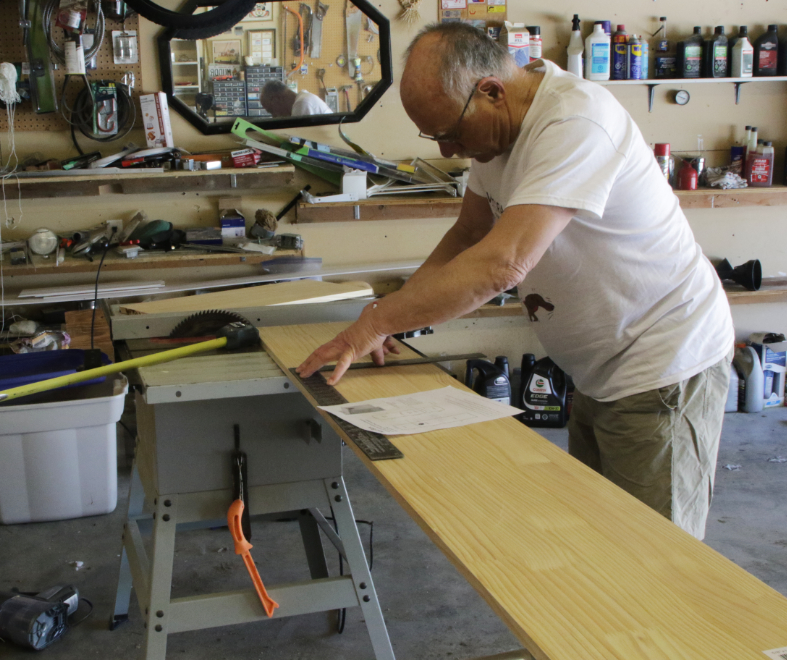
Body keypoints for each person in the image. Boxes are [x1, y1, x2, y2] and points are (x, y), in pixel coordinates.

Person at [296, 23, 735, 540]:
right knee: (607, 542)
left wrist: (370, 324)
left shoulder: (576, 121)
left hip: (663, 363)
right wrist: (399, 313)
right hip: (599, 370)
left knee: (657, 556)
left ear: (491, 91)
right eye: (435, 137)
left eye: (451, 133)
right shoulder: (497, 137)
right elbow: (468, 237)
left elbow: (502, 264)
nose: (450, 148)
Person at [260, 80, 333, 117]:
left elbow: (298, 142)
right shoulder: (304, 98)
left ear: (275, 100)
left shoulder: (302, 104)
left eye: (271, 111)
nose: (274, 117)